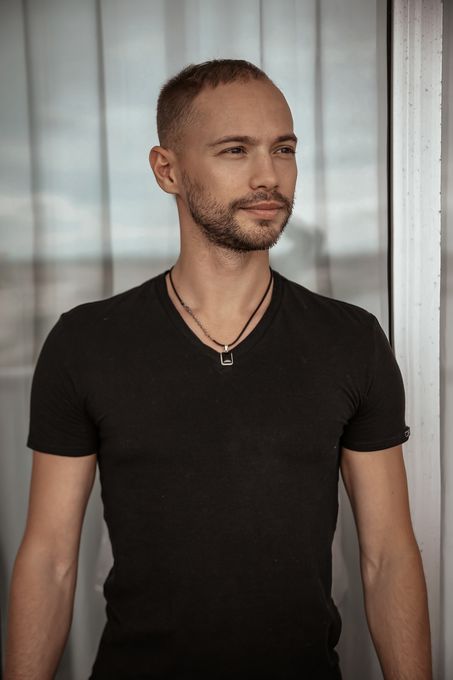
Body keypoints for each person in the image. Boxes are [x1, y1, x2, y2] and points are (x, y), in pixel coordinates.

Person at [4, 59, 432, 680]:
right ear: (168, 170)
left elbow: (388, 556)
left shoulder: (351, 341)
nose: (269, 176)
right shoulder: (86, 342)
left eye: (283, 149)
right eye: (236, 150)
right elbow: (49, 561)